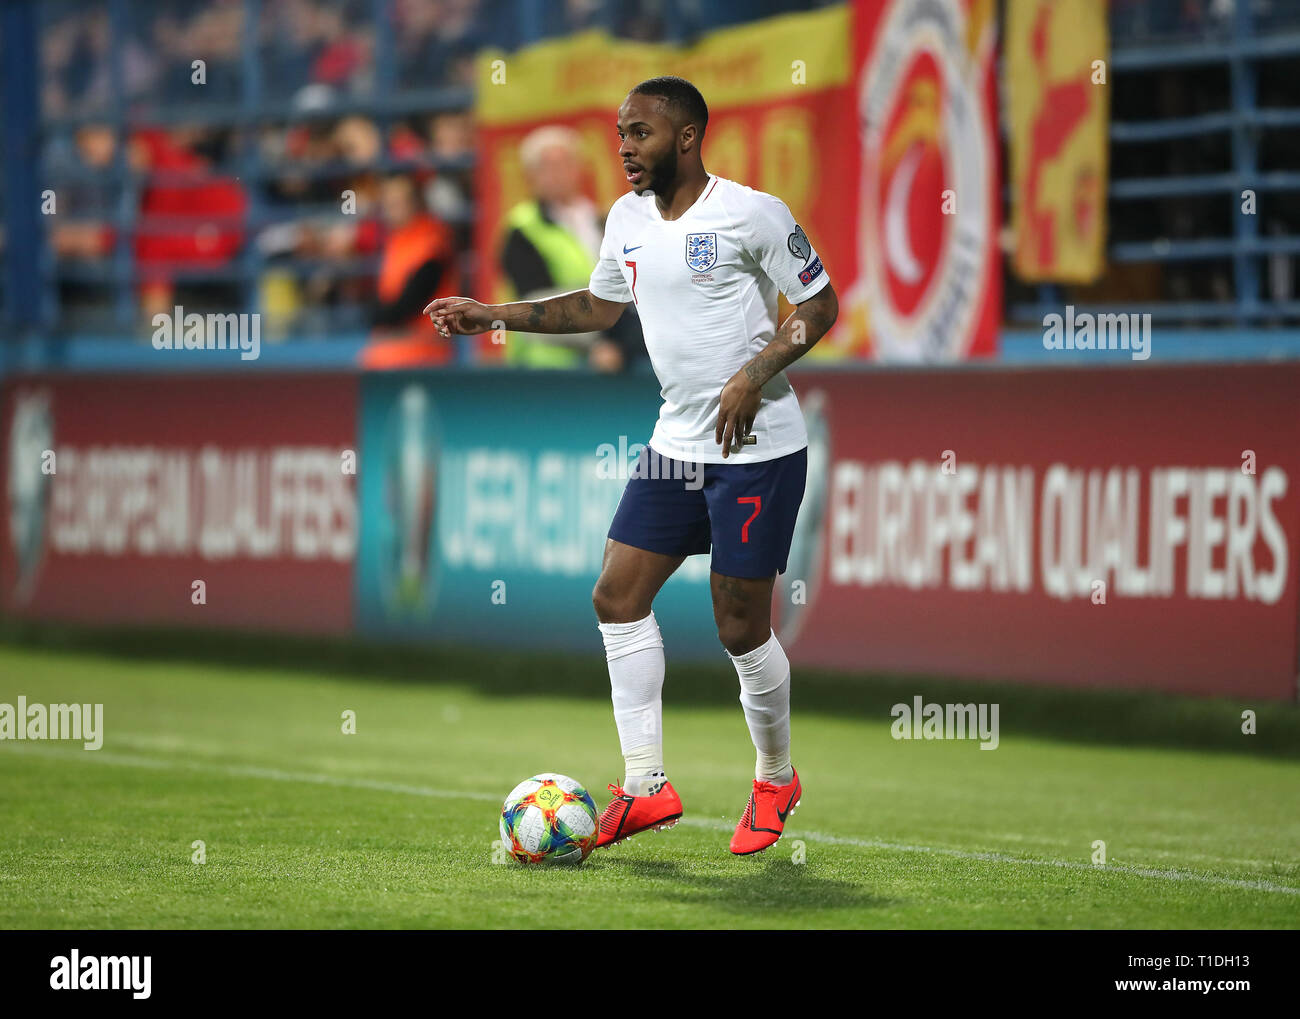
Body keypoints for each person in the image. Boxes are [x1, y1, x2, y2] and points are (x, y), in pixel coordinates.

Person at [425, 76, 838, 856]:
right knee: (616, 595)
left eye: (640, 134)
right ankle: (646, 786)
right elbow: (598, 307)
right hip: (677, 441)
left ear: (686, 137)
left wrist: (753, 373)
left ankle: (775, 775)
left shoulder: (752, 212)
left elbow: (819, 305)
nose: (624, 149)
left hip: (757, 446)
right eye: (619, 135)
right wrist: (493, 315)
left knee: (740, 625)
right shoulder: (625, 220)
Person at [500, 124, 645, 371]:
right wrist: (600, 341)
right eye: (547, 166)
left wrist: (621, 342)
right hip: (549, 363)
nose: (558, 173)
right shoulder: (522, 229)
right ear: (530, 176)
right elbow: (536, 302)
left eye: (566, 163)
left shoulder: (600, 218)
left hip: (609, 357)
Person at [360, 174, 459, 369]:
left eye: (398, 202)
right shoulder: (397, 241)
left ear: (416, 202)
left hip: (422, 356)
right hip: (392, 353)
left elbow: (409, 304)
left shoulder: (432, 243)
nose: (391, 210)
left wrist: (376, 315)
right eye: (387, 203)